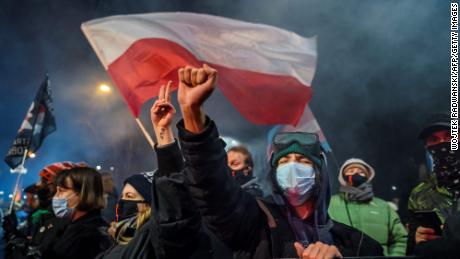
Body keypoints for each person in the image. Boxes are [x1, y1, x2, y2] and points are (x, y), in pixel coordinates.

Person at [174, 64, 383, 258]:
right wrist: (193, 115)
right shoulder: (254, 220)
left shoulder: (358, 244)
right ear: (274, 172)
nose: (292, 166)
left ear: (320, 172)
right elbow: (211, 188)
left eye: (302, 160)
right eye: (283, 162)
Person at [100, 82, 213, 259]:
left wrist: (164, 133)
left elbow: (174, 206)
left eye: (130, 197)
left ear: (150, 203)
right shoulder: (117, 240)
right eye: (123, 196)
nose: (122, 203)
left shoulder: (159, 240)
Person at [328, 158, 407, 256]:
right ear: (343, 178)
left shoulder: (384, 206)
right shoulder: (330, 203)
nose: (356, 174)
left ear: (368, 177)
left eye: (361, 172)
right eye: (351, 171)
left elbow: (400, 239)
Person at [407, 112, 460, 256]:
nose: (442, 142)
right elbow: (410, 249)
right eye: (434, 139)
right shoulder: (419, 193)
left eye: (450, 136)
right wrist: (418, 238)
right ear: (427, 147)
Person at [39, 166, 112, 259]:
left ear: (83, 193)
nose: (56, 196)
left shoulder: (92, 236)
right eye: (56, 190)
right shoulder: (70, 226)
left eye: (62, 190)